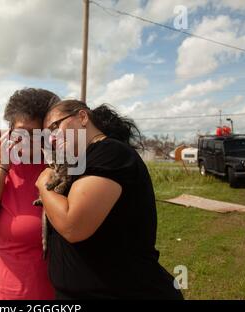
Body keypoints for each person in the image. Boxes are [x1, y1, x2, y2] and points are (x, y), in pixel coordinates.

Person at [36, 99, 184, 299]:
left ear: (82, 117)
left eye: (55, 127)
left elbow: (73, 225)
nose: (52, 138)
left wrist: (43, 185)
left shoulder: (110, 153)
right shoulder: (82, 162)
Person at [0, 88, 60, 300]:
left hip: (53, 290)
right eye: (21, 133)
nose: (28, 141)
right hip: (4, 290)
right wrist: (2, 169)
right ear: (10, 130)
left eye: (37, 135)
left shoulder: (60, 167)